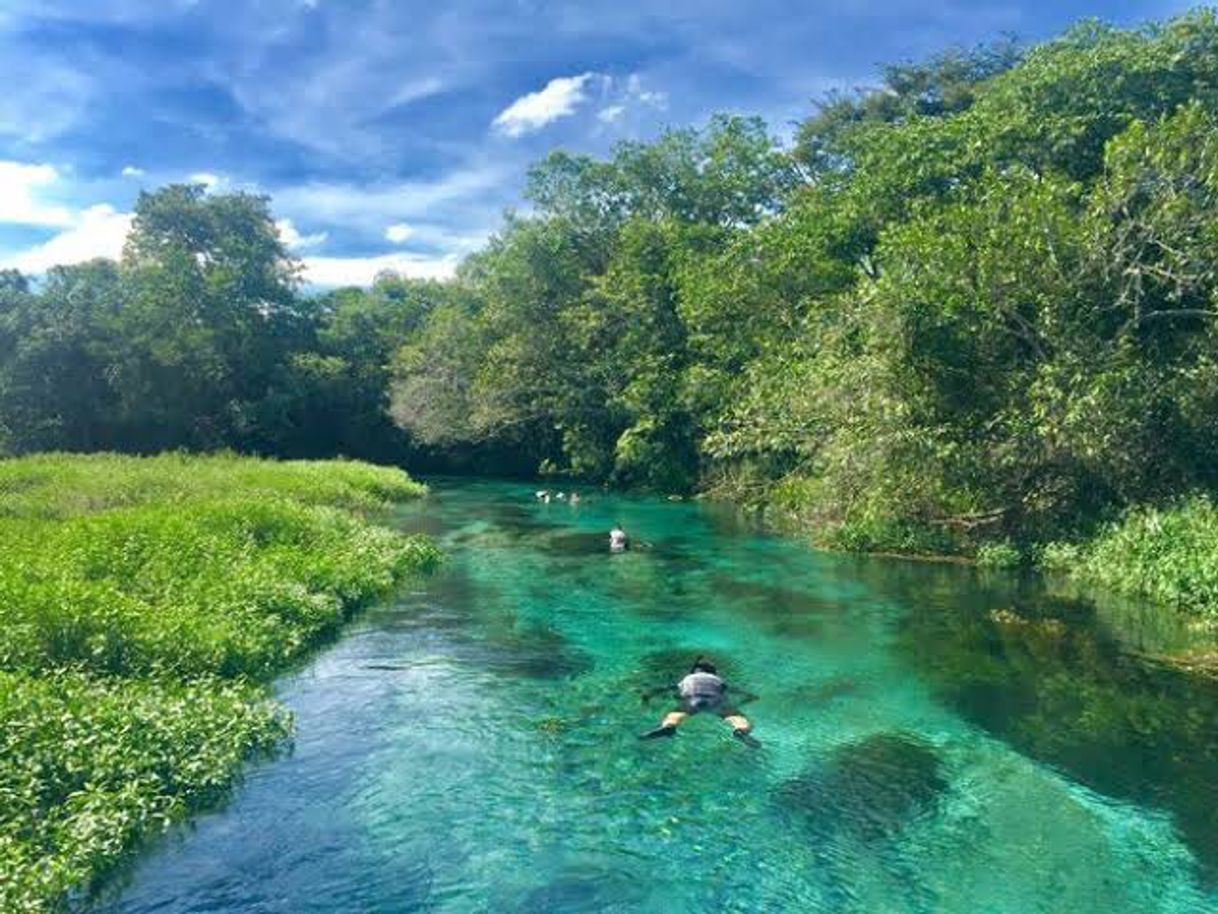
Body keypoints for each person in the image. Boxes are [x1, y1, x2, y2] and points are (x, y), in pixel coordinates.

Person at [639, 657, 761, 747]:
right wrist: (750, 697)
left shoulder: (688, 678)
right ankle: (740, 731)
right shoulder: (716, 679)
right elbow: (735, 690)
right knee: (737, 718)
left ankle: (669, 727)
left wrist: (648, 695)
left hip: (693, 700)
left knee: (675, 715)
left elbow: (665, 688)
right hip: (715, 701)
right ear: (713, 672)